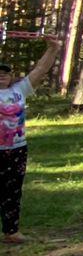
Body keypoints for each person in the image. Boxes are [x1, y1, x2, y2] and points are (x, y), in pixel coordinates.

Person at [0, 35, 62, 245]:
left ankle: (12, 231)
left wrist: (53, 48)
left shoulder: (20, 91)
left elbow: (40, 70)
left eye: (5, 72)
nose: (2, 75)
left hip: (17, 148)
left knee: (13, 190)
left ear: (11, 76)